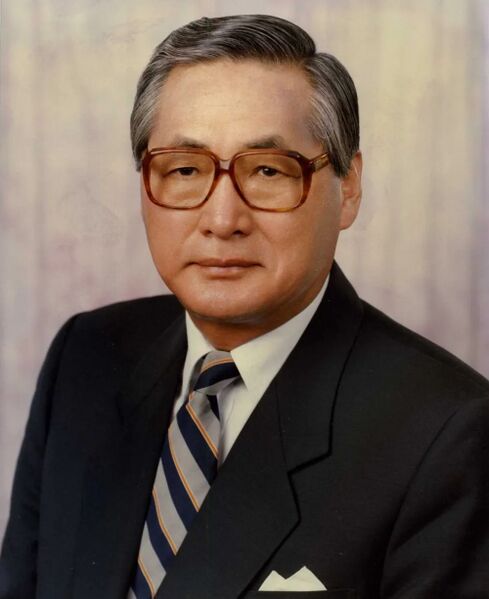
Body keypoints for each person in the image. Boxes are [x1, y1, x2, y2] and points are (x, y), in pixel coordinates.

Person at [1, 14, 488, 599]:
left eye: (267, 171)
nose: (222, 219)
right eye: (185, 169)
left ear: (349, 187)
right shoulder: (86, 356)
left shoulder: (448, 434)